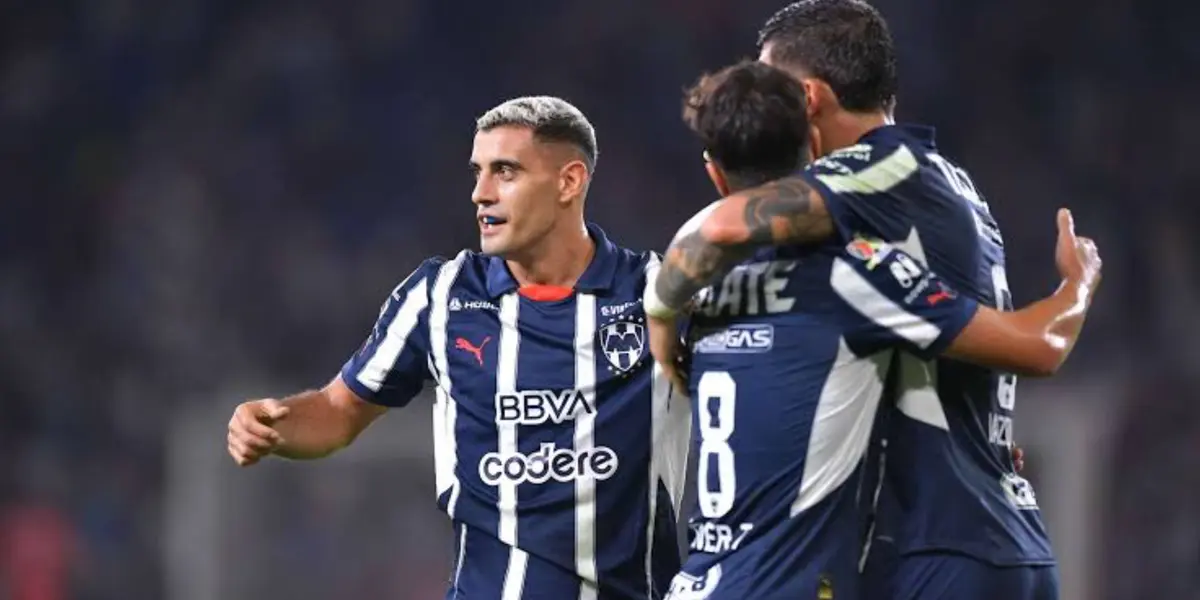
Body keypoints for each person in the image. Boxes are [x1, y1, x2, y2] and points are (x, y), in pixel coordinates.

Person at [646, 2, 1104, 597]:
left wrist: (662, 312)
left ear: (808, 98)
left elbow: (720, 226)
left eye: (771, 88)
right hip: (978, 525)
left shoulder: (873, 180)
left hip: (936, 540)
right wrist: (1076, 284)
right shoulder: (940, 182)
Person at [226, 96, 691, 600]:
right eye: (478, 173)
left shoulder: (658, 293)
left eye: (505, 172)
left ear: (569, 181)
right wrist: (274, 424)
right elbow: (340, 410)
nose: (480, 193)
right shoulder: (441, 295)